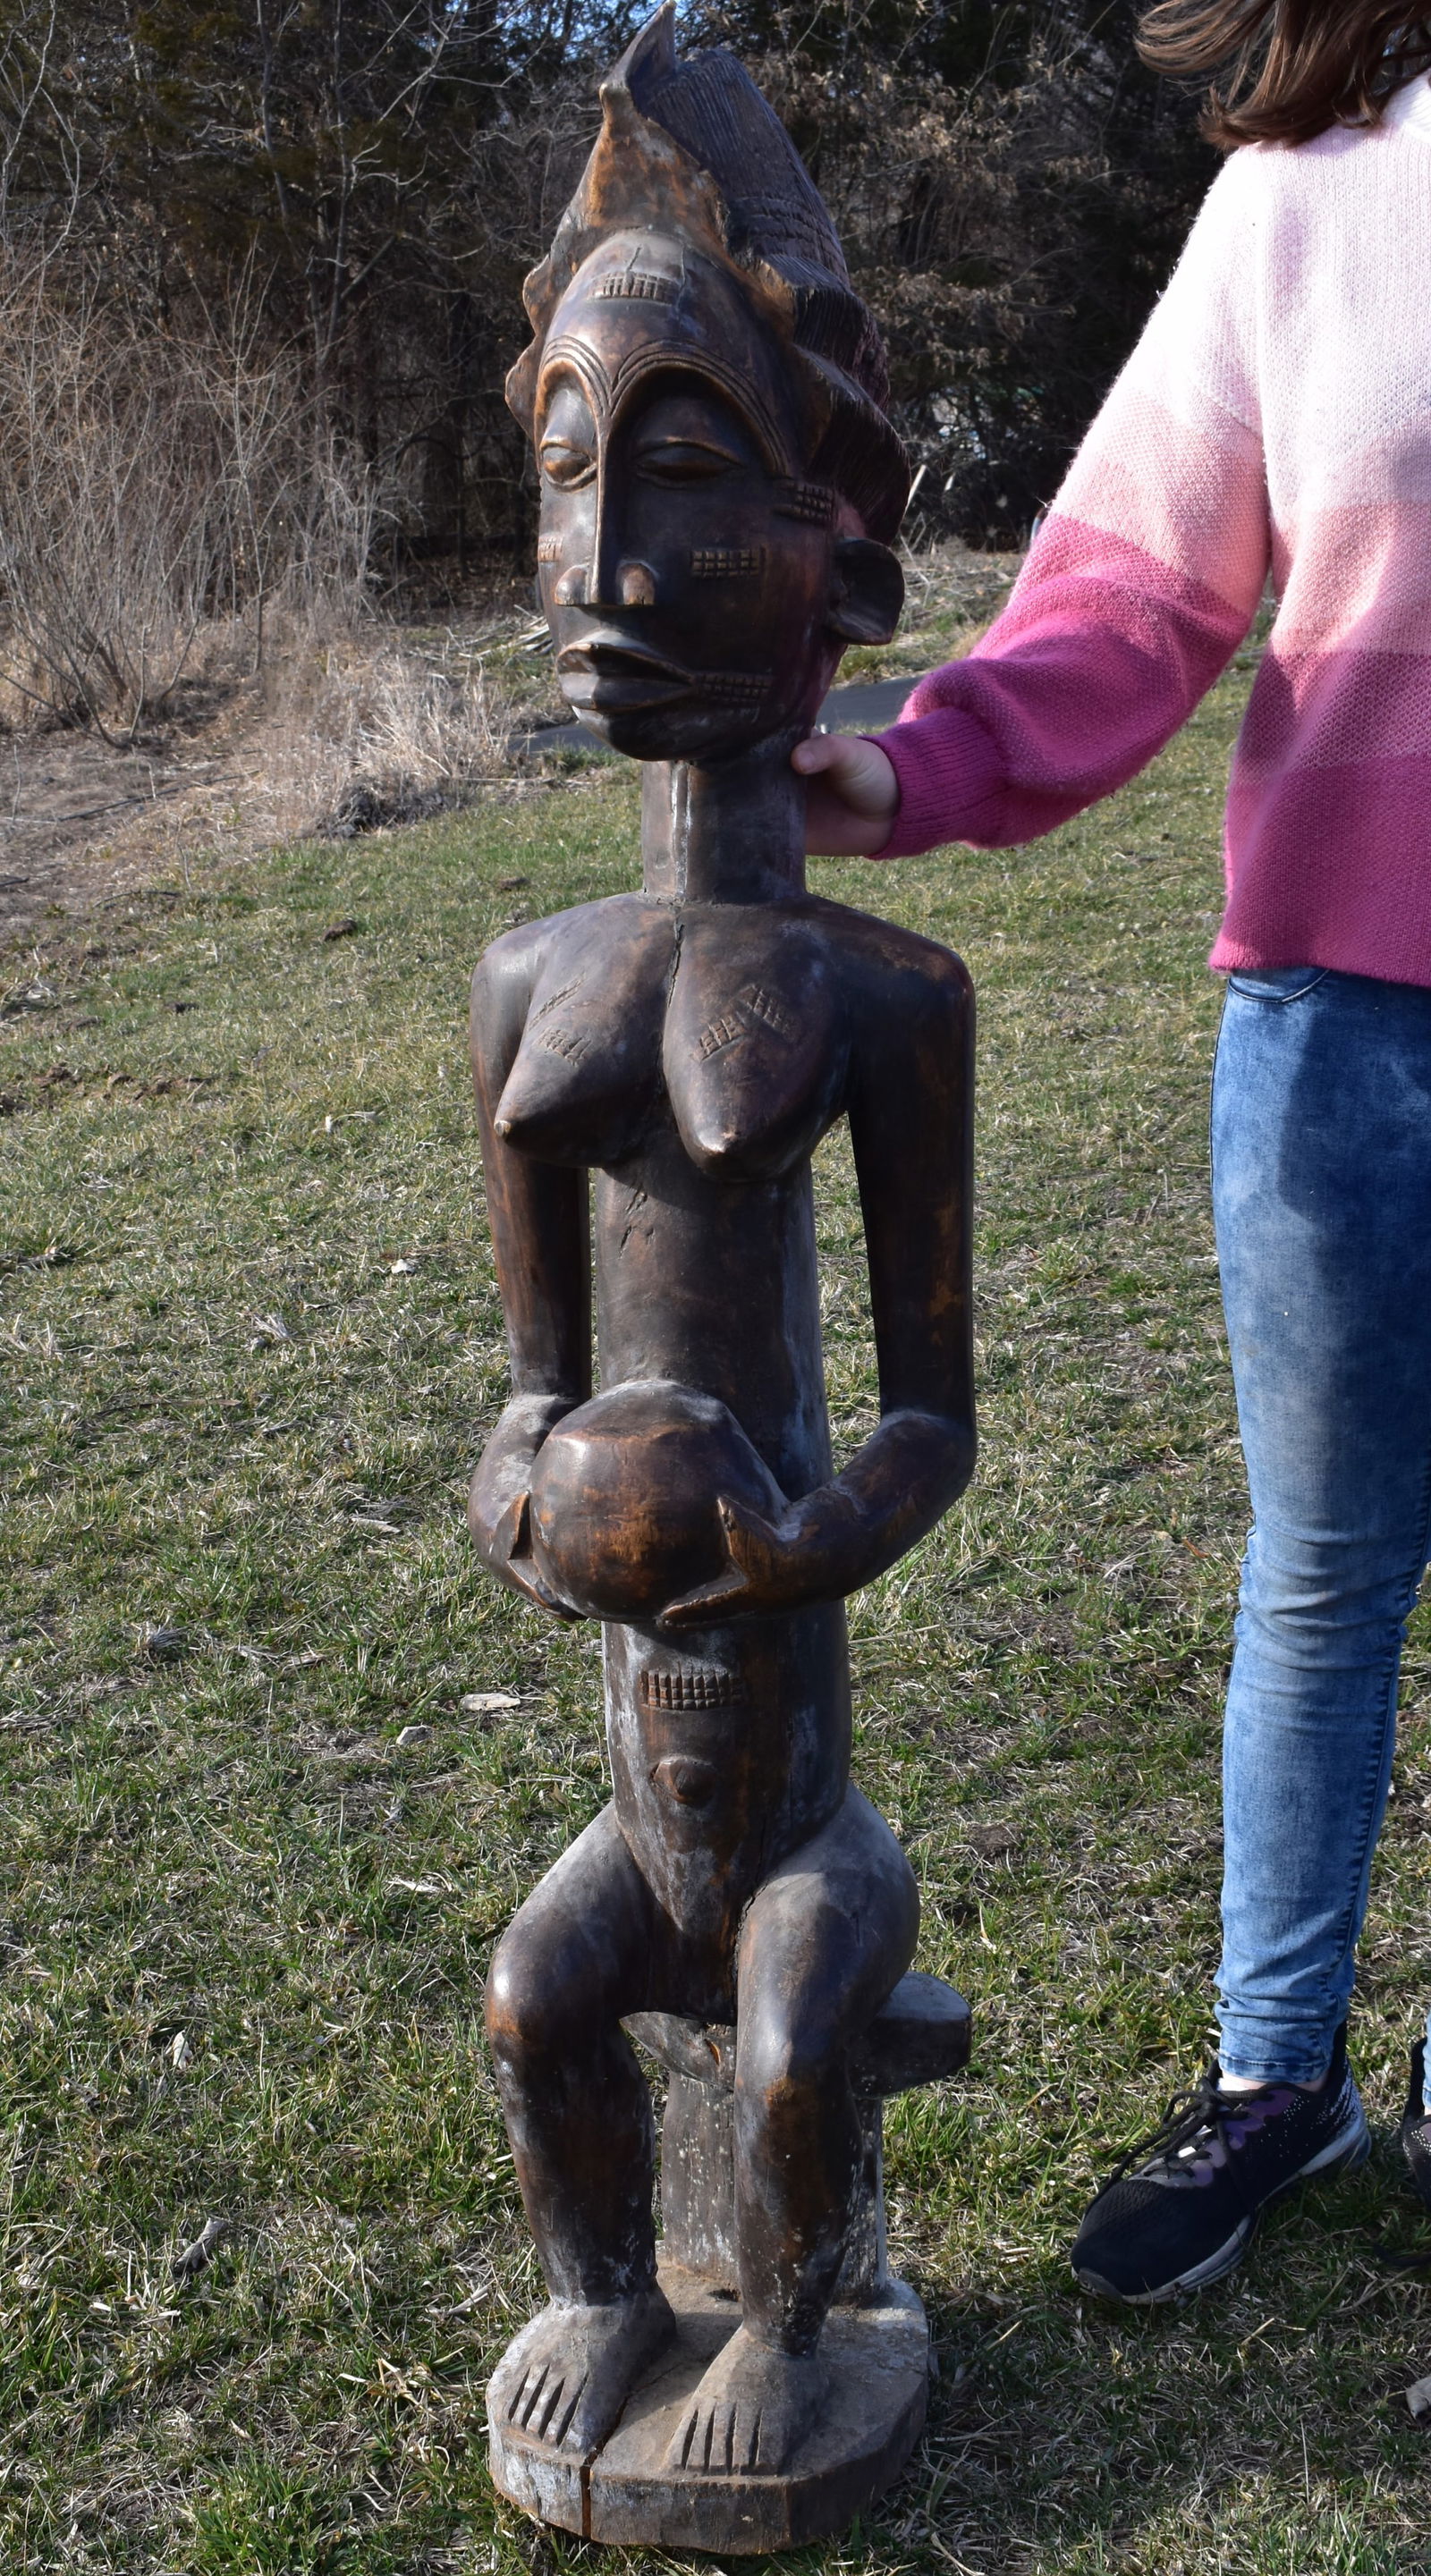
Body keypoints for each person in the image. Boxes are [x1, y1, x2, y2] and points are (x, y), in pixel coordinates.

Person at [793, 0, 1431, 2304]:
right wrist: (922, 757)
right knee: (1330, 1570)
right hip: (1346, 1034)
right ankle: (1284, 2076)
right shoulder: (1310, 196)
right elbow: (1144, 591)